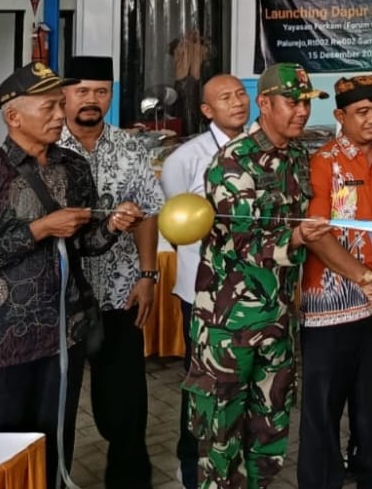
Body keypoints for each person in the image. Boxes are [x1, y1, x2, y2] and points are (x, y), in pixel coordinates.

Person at [0, 62, 142, 488]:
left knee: (53, 451)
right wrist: (38, 230)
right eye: (49, 107)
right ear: (13, 116)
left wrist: (113, 225)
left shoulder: (73, 167)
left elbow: (86, 244)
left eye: (61, 104)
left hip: (62, 337)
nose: (61, 115)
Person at [184, 63, 334, 489]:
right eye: (292, 102)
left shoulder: (299, 156)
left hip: (279, 319)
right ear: (264, 103)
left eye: (306, 103)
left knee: (270, 429)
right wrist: (298, 237)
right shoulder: (233, 160)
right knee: (221, 435)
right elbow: (240, 242)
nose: (301, 111)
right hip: (228, 327)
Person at [300, 75, 372, 489]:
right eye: (361, 112)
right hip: (330, 311)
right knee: (323, 407)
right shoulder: (323, 163)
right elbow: (316, 235)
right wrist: (365, 277)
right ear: (340, 115)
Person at [59, 54, 165, 489]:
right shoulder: (46, 147)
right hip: (61, 297)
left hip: (121, 291)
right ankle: (56, 477)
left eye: (101, 91)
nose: (92, 99)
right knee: (60, 401)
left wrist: (148, 275)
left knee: (125, 401)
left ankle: (129, 481)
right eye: (82, 90)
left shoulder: (130, 146)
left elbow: (149, 211)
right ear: (64, 95)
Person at [161, 73, 252, 489]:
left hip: (253, 292)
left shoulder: (261, 150)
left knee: (246, 382)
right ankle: (192, 463)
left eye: (241, 94)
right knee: (202, 381)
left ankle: (239, 460)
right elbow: (175, 222)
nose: (237, 102)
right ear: (206, 110)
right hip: (204, 292)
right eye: (225, 97)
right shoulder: (186, 158)